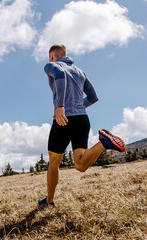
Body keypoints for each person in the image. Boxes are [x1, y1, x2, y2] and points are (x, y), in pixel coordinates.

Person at [38, 44, 126, 207]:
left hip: (63, 119)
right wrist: (78, 106)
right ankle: (102, 144)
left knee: (54, 162)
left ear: (52, 56)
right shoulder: (80, 72)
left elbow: (60, 74)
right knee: (80, 164)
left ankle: (49, 201)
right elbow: (93, 97)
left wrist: (61, 106)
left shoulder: (51, 65)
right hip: (82, 119)